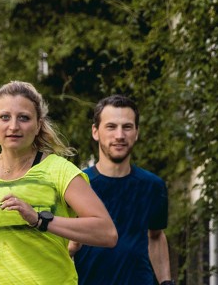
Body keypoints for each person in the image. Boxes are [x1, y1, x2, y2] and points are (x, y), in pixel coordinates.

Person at [0, 81, 117, 284]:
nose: (13, 126)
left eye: (24, 118)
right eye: (4, 117)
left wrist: (40, 220)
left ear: (38, 125)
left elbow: (106, 232)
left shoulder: (59, 171)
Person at [71, 95, 173, 285]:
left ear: (136, 132)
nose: (119, 135)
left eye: (127, 127)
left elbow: (156, 236)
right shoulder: (76, 185)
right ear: (95, 132)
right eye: (111, 127)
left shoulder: (153, 185)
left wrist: (166, 282)